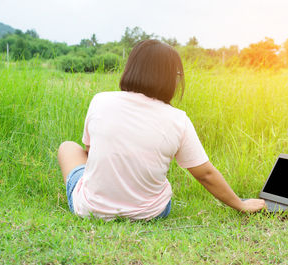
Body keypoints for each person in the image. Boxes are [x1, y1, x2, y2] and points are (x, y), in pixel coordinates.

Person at [57, 39, 266, 221]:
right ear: (171, 78)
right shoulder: (178, 119)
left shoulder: (101, 100)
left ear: (131, 68)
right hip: (152, 212)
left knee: (68, 147)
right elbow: (205, 174)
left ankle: (99, 196)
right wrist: (240, 204)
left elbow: (90, 151)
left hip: (90, 210)